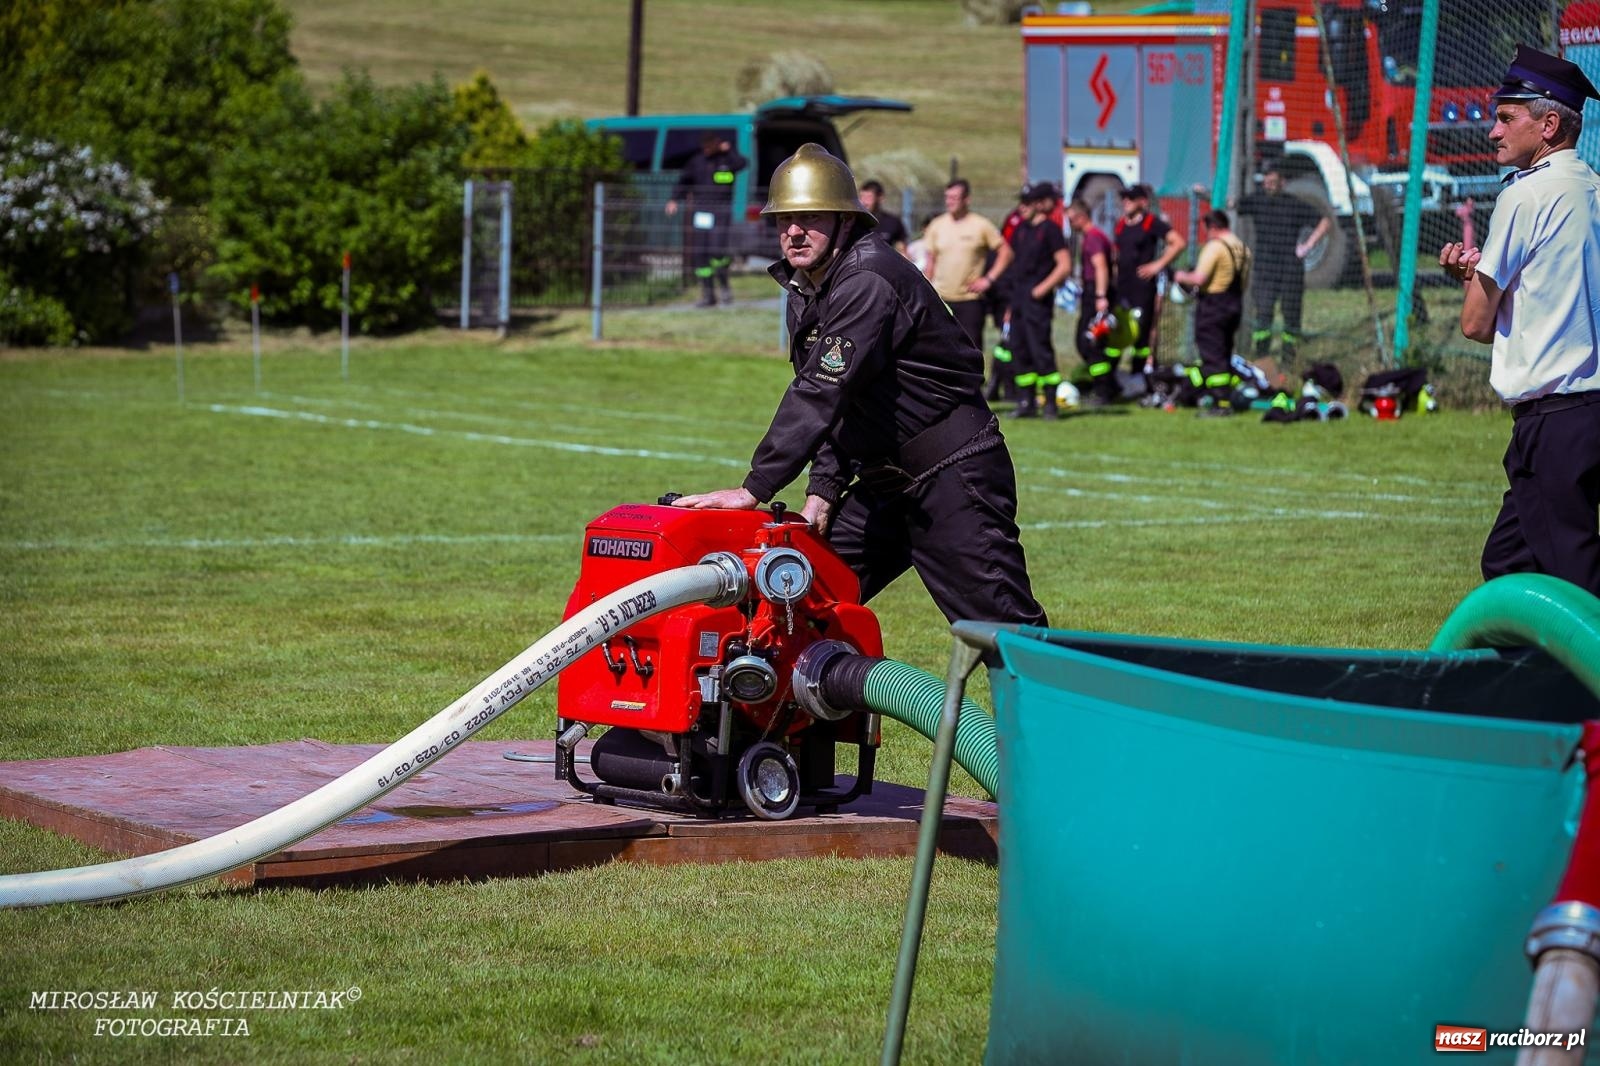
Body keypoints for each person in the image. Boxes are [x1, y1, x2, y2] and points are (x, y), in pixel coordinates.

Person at [672, 144, 1048, 628]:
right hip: (881, 486)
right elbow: (841, 403)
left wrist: (754, 489)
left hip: (951, 478)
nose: (794, 231)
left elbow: (820, 393)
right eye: (784, 219)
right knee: (794, 603)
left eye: (811, 217)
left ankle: (1068, 705)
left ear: (846, 221)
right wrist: (823, 491)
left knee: (1006, 633)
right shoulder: (806, 286)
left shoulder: (867, 277)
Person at [1439, 44, 1600, 595]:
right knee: (1509, 559)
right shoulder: (1592, 188)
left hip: (1556, 416)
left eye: (1507, 117)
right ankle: (1533, 682)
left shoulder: (1524, 196)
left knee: (1572, 580)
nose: (1493, 132)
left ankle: (1577, 680)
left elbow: (1475, 325)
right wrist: (1485, 277)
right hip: (1588, 412)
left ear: (1549, 123)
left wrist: (1476, 284)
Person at [1236, 166, 1330, 365]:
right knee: (1263, 314)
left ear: (1282, 183)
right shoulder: (1257, 200)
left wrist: (1308, 246)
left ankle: (1289, 361)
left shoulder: (1294, 205)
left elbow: (1324, 222)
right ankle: (1262, 359)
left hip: (1290, 269)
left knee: (1291, 315)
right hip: (1265, 269)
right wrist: (1206, 195)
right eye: (1266, 183)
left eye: (1272, 183)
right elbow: (1232, 204)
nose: (1268, 187)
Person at [1005, 182, 1073, 419]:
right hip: (1018, 299)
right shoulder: (1020, 229)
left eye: (1026, 203)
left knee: (1040, 350)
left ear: (1037, 205)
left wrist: (1042, 289)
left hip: (1037, 301)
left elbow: (1064, 265)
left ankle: (1051, 403)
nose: (1021, 208)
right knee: (1019, 348)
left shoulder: (1050, 230)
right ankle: (1026, 402)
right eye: (1020, 203)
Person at [922, 179, 1013, 354]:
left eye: (955, 197)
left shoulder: (981, 225)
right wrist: (926, 292)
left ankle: (972, 382)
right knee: (939, 350)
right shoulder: (937, 225)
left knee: (969, 351)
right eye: (947, 197)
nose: (950, 202)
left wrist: (988, 279)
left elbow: (1006, 253)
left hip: (970, 300)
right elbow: (930, 262)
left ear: (966, 200)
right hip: (941, 299)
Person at [1173, 208, 1250, 415]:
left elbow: (1199, 279)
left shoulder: (1215, 247)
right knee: (1224, 353)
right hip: (1235, 304)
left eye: (1207, 230)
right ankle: (1222, 397)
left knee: (1213, 355)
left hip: (1214, 305)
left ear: (1213, 227)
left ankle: (1220, 404)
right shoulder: (1242, 247)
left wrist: (1181, 276)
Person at [1110, 183, 1186, 387]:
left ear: (1142, 202)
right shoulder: (1121, 224)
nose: (1125, 202)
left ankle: (1139, 374)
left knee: (1141, 333)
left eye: (1130, 199)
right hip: (1123, 287)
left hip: (1142, 287)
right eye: (1124, 198)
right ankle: (1111, 376)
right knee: (1117, 330)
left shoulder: (1151, 223)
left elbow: (1178, 242)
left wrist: (1158, 265)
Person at [665, 132, 748, 308]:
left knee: (717, 251)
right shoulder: (697, 161)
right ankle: (707, 293)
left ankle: (724, 286)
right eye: (705, 146)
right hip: (702, 212)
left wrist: (729, 150)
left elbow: (742, 163)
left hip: (721, 212)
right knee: (700, 253)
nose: (707, 149)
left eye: (711, 145)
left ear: (717, 144)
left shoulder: (727, 161)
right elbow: (684, 181)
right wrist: (674, 199)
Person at [1064, 198, 1117, 405]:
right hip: (1092, 293)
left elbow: (1101, 266)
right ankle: (1108, 385)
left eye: (1071, 220)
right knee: (1087, 343)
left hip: (1096, 293)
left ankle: (1104, 390)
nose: (1069, 224)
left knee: (1090, 343)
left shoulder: (1094, 238)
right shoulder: (1094, 236)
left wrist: (1101, 296)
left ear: (1081, 216)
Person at [857, 181, 908, 255]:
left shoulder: (892, 222)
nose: (864, 202)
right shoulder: (853, 222)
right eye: (862, 197)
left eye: (868, 197)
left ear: (880, 198)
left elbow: (902, 251)